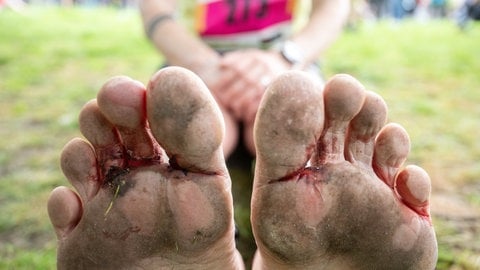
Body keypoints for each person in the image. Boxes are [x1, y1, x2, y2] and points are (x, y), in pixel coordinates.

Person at [47, 67, 438, 269]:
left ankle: (189, 172)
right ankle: (287, 183)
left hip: (278, 57)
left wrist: (284, 54)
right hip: (206, 67)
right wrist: (212, 66)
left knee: (285, 113)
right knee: (186, 107)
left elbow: (329, 10)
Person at [138, 0, 350, 158]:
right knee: (196, 119)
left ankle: (183, 177)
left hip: (282, 60)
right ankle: (304, 174)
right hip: (195, 59)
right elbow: (156, 11)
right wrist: (207, 67)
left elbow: (332, 7)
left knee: (292, 111)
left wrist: (285, 59)